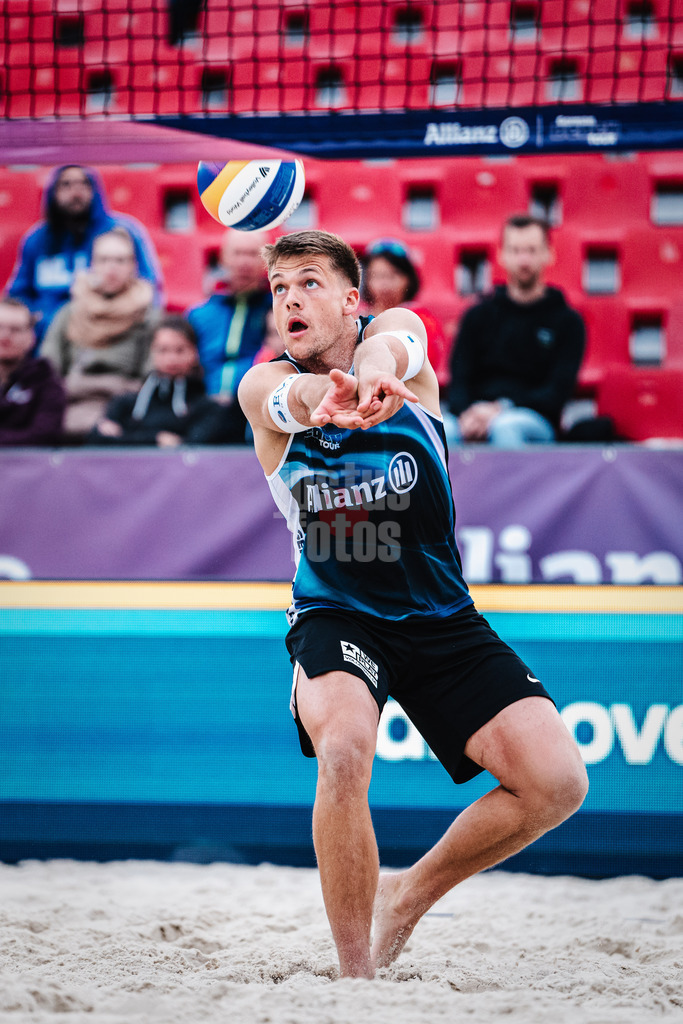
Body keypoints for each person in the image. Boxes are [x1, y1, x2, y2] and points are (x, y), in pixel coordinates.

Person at [237, 229, 588, 980]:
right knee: (341, 753)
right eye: (277, 288)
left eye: (306, 282)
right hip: (336, 614)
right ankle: (354, 974)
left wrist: (365, 383)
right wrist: (318, 401)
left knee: (556, 783)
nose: (289, 298)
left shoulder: (399, 339)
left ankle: (406, 896)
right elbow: (284, 398)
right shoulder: (261, 388)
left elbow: (390, 350)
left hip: (440, 617)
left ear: (350, 299)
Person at [445, 214, 586, 448]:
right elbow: (459, 381)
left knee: (506, 428)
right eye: (515, 250)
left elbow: (556, 394)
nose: (523, 260)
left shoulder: (568, 322)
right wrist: (469, 414)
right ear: (501, 255)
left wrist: (500, 409)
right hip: (474, 414)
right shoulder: (477, 316)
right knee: (443, 432)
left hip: (534, 421)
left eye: (531, 250)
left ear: (548, 254)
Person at [6, 164, 163, 345]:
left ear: (95, 189)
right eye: (66, 185)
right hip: (46, 338)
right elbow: (18, 294)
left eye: (84, 184)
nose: (76, 192)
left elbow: (148, 287)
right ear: (52, 191)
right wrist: (36, 317)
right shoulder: (36, 239)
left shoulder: (121, 231)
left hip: (108, 335)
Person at [40, 227, 158, 441]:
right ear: (92, 264)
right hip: (68, 411)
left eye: (120, 260)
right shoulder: (68, 313)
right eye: (103, 260)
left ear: (133, 265)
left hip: (125, 415)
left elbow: (151, 380)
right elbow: (48, 375)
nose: (111, 268)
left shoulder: (149, 318)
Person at [187, 229, 272, 442]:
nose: (244, 261)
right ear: (223, 258)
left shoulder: (277, 310)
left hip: (254, 408)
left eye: (253, 254)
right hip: (202, 406)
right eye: (238, 253)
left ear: (266, 261)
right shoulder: (199, 314)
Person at [89, 315, 224, 447]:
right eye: (163, 350)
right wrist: (156, 439)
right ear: (151, 352)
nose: (171, 358)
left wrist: (124, 437)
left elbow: (192, 447)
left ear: (195, 353)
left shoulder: (207, 408)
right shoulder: (126, 404)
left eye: (180, 350)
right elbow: (97, 440)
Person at [361, 238, 449, 387]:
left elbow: (426, 364)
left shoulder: (422, 318)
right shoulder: (355, 318)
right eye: (377, 276)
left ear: (409, 279)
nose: (384, 284)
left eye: (393, 275)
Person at [0, 297, 65, 446]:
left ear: (31, 337)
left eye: (15, 329)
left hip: (27, 467)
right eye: (0, 327)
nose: (5, 336)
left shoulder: (46, 381)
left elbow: (45, 436)